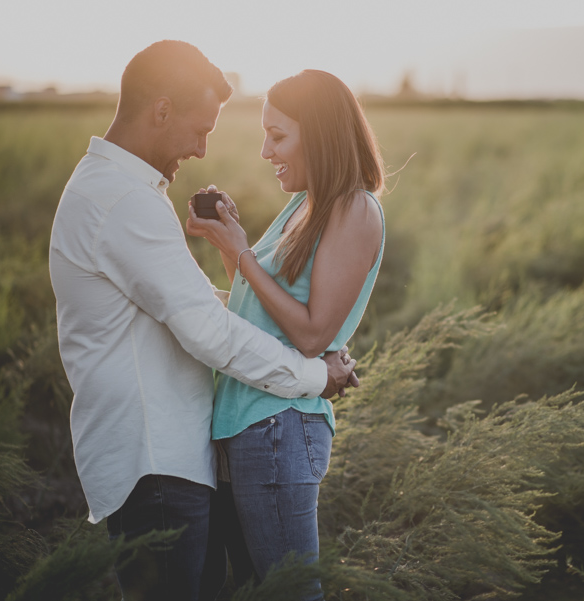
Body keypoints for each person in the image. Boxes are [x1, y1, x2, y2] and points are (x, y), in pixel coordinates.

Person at [48, 42, 356, 601]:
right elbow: (206, 332)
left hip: (166, 461)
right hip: (155, 465)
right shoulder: (123, 202)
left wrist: (240, 278)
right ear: (161, 111)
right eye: (200, 128)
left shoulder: (118, 191)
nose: (201, 147)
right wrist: (315, 376)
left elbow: (194, 305)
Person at [185, 69, 385, 600]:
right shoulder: (305, 204)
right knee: (256, 589)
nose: (265, 151)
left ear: (318, 134)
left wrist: (246, 256)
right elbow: (260, 311)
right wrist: (229, 245)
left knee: (289, 592)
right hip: (245, 422)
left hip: (279, 428)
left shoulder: (355, 209)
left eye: (278, 136)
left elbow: (314, 334)